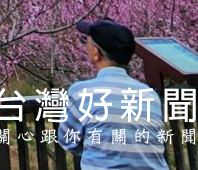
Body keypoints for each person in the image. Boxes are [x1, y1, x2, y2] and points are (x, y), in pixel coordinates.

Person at [57, 18, 167, 169]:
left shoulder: (81, 93)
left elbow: (67, 141)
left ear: (96, 53)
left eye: (86, 41)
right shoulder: (150, 95)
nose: (85, 46)